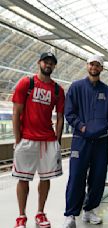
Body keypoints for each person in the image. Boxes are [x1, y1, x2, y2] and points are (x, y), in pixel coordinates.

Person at [12, 52, 65, 228]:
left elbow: (60, 117)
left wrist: (57, 141)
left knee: (45, 178)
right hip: (27, 139)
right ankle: (21, 216)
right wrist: (18, 139)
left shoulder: (58, 90)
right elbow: (16, 112)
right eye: (45, 62)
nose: (48, 65)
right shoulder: (26, 83)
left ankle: (40, 213)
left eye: (51, 63)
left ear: (54, 66)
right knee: (23, 178)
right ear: (39, 63)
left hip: (48, 140)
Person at [63, 55, 108, 228]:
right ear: (87, 66)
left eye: (98, 65)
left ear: (102, 68)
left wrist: (102, 127)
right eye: (92, 64)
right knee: (77, 176)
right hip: (81, 140)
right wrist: (82, 127)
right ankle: (71, 214)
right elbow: (69, 113)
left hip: (100, 141)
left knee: (98, 177)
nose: (94, 67)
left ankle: (89, 210)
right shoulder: (76, 87)